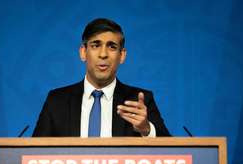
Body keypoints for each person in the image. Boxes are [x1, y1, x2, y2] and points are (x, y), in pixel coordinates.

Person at [33, 18, 170, 138]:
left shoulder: (139, 101)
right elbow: (33, 156)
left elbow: (172, 152)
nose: (103, 54)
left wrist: (146, 129)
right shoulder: (57, 101)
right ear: (83, 52)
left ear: (121, 56)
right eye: (95, 45)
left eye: (112, 47)